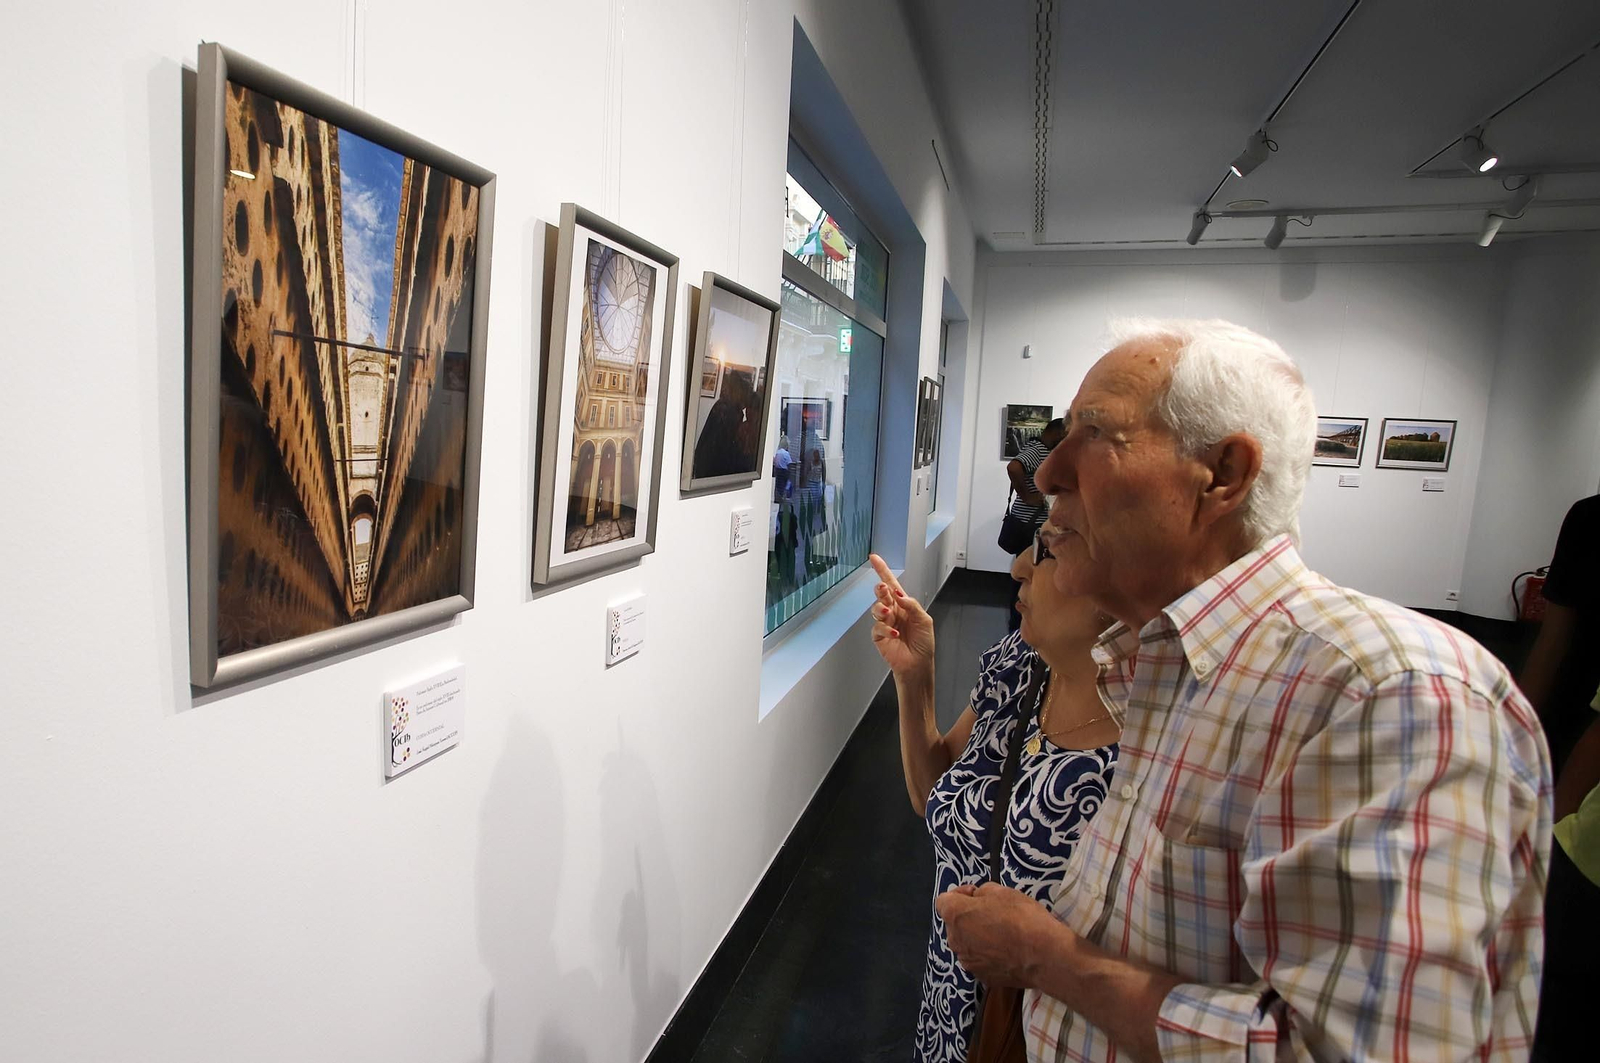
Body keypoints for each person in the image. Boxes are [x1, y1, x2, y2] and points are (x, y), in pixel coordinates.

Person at [934, 319, 1551, 1062]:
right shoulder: (1157, 666)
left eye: (1094, 433)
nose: (1046, 472)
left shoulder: (1391, 695)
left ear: (1222, 473)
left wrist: (1048, 961)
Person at [867, 542, 1118, 1063]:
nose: (1018, 566)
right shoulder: (1020, 667)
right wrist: (914, 678)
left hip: (1046, 1034)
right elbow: (931, 793)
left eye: (1050, 548)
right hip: (951, 1002)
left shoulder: (1152, 746)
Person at [1519, 494, 1600, 769]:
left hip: (1576, 704)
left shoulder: (1589, 515)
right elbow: (1553, 639)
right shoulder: (1589, 517)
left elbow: (1553, 639)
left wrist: (1514, 730)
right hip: (1576, 705)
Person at [1003, 418, 1065, 632]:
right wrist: (1027, 495)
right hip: (1029, 524)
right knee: (1026, 574)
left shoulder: (1038, 447)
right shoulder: (1038, 449)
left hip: (1030, 522)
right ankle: (1017, 626)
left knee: (1027, 572)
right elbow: (1014, 467)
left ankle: (1020, 623)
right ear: (1057, 433)